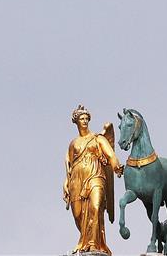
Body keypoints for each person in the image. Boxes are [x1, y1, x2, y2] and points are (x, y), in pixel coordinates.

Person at [63, 104, 124, 254]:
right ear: (76, 122)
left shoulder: (98, 139)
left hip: (96, 176)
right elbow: (70, 166)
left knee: (95, 208)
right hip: (76, 181)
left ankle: (93, 244)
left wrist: (116, 167)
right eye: (81, 119)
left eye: (86, 118)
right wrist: (66, 183)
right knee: (78, 215)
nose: (84, 121)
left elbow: (110, 155)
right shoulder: (73, 144)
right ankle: (85, 240)